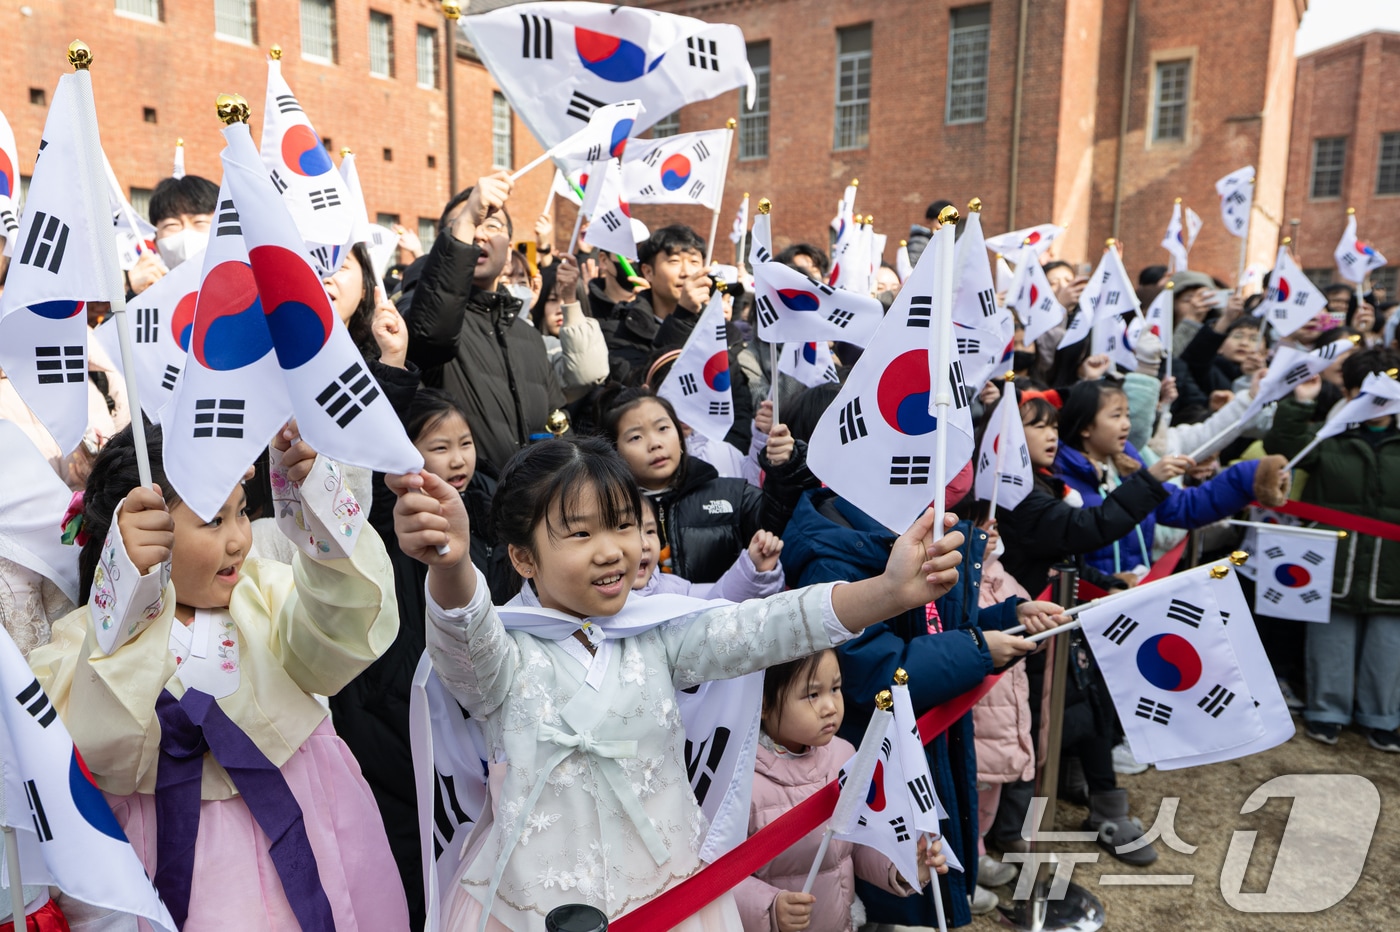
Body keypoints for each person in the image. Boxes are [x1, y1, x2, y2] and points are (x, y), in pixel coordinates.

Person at [391, 435, 969, 930]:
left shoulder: (658, 633)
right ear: (522, 558)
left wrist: (889, 591)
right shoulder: (505, 655)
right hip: (526, 908)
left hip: (672, 901)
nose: (612, 550)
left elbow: (769, 626)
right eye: (580, 534)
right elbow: (462, 637)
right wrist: (449, 562)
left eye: (621, 525)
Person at [28, 423, 408, 930]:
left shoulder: (266, 594)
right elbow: (97, 749)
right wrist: (127, 599)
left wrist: (320, 509)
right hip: (173, 851)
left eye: (243, 512)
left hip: (312, 822)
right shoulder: (83, 640)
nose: (239, 540)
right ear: (137, 531)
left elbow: (339, 630)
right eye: (213, 520)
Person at [735, 649, 948, 932]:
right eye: (812, 695)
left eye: (835, 688)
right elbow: (713, 878)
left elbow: (856, 841)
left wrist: (903, 866)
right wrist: (770, 907)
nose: (830, 706)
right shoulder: (739, 781)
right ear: (763, 703)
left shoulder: (845, 756)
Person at [1262, 347, 1400, 752]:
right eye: (1364, 393)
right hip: (1332, 562)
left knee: (1388, 644)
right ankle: (1326, 710)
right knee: (1330, 640)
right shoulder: (1331, 435)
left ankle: (1382, 716)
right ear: (1351, 393)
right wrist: (1300, 402)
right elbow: (1284, 447)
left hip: (1391, 568)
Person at [402, 170, 565, 476]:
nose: (479, 233)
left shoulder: (528, 336)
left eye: (493, 225)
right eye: (468, 224)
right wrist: (465, 222)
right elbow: (431, 333)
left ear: (509, 252)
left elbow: (556, 419)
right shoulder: (420, 312)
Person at [1052, 380, 1289, 583]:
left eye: (1127, 414)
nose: (1126, 424)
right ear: (1085, 426)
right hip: (1084, 606)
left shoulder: (1127, 466)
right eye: (1116, 416)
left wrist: (1253, 475)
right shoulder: (1059, 477)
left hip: (1131, 595)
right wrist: (1107, 585)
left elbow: (1185, 507)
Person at [602, 388, 804, 583]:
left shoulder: (732, 495)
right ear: (615, 451)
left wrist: (786, 466)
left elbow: (780, 525)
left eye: (663, 428)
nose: (655, 443)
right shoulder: (605, 514)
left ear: (680, 438)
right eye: (636, 437)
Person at [530, 254, 610, 403]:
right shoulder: (532, 346)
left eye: (567, 299)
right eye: (553, 300)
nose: (561, 308)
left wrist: (570, 301)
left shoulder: (595, 343)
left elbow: (587, 373)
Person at [126, 174, 219, 295]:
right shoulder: (147, 297)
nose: (186, 233)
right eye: (172, 225)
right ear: (156, 243)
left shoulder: (247, 290)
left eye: (199, 222)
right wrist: (135, 296)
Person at [905, 199, 954, 268]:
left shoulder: (950, 241)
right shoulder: (920, 241)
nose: (945, 226)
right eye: (941, 222)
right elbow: (911, 268)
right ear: (929, 221)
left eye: (951, 222)